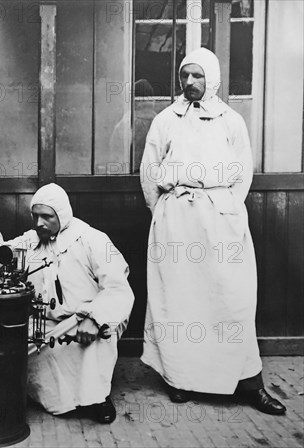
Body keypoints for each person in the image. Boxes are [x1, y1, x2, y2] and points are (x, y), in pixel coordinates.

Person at [139, 47, 286, 415]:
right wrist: (165, 214)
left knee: (231, 300)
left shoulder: (231, 121)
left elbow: (243, 172)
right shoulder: (166, 120)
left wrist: (225, 210)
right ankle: (180, 378)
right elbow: (149, 172)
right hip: (176, 223)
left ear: (213, 79)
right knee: (180, 302)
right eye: (185, 75)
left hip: (221, 220)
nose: (189, 82)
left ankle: (250, 382)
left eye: (198, 76)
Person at [0, 183, 134, 423]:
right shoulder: (31, 241)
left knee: (102, 335)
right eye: (35, 215)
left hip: (84, 324)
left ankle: (97, 397)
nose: (39, 223)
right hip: (44, 325)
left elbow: (119, 289)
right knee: (6, 350)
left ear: (62, 214)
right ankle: (52, 394)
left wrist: (94, 318)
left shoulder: (93, 240)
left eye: (46, 216)